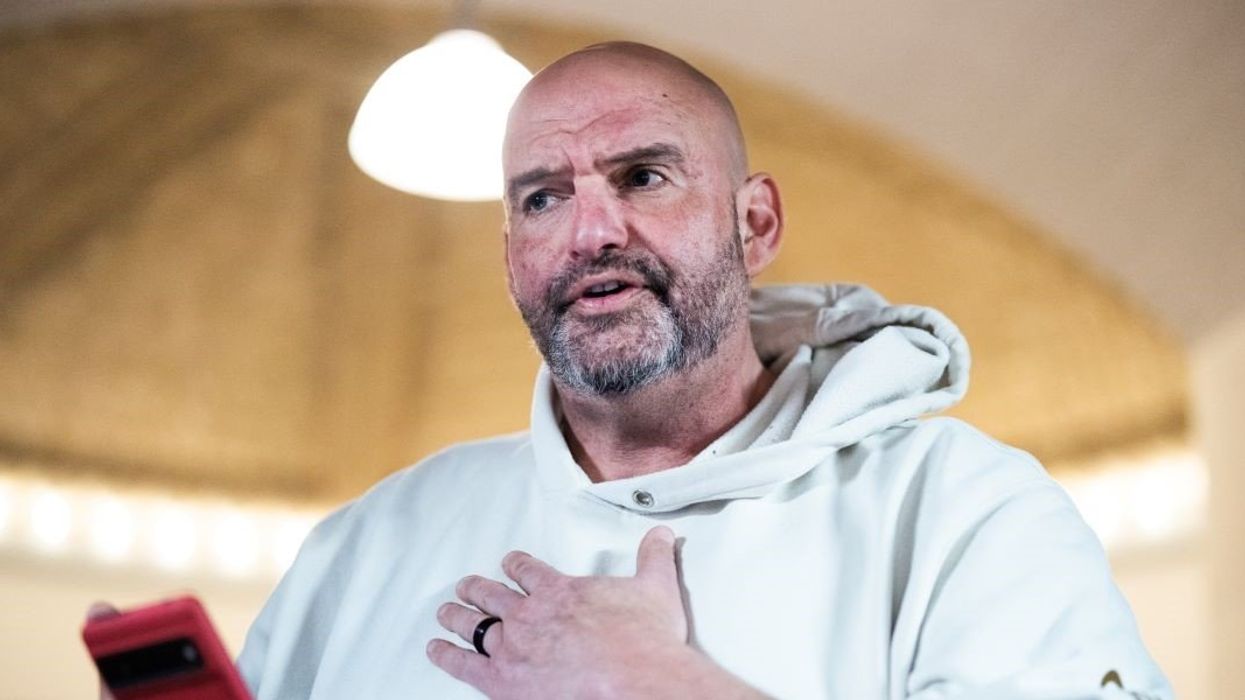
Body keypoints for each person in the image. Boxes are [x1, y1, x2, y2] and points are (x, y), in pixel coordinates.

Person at [232, 42, 1172, 699]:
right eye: (543, 197)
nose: (590, 232)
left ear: (753, 224)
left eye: (643, 176)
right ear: (510, 249)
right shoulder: (366, 545)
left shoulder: (959, 511)